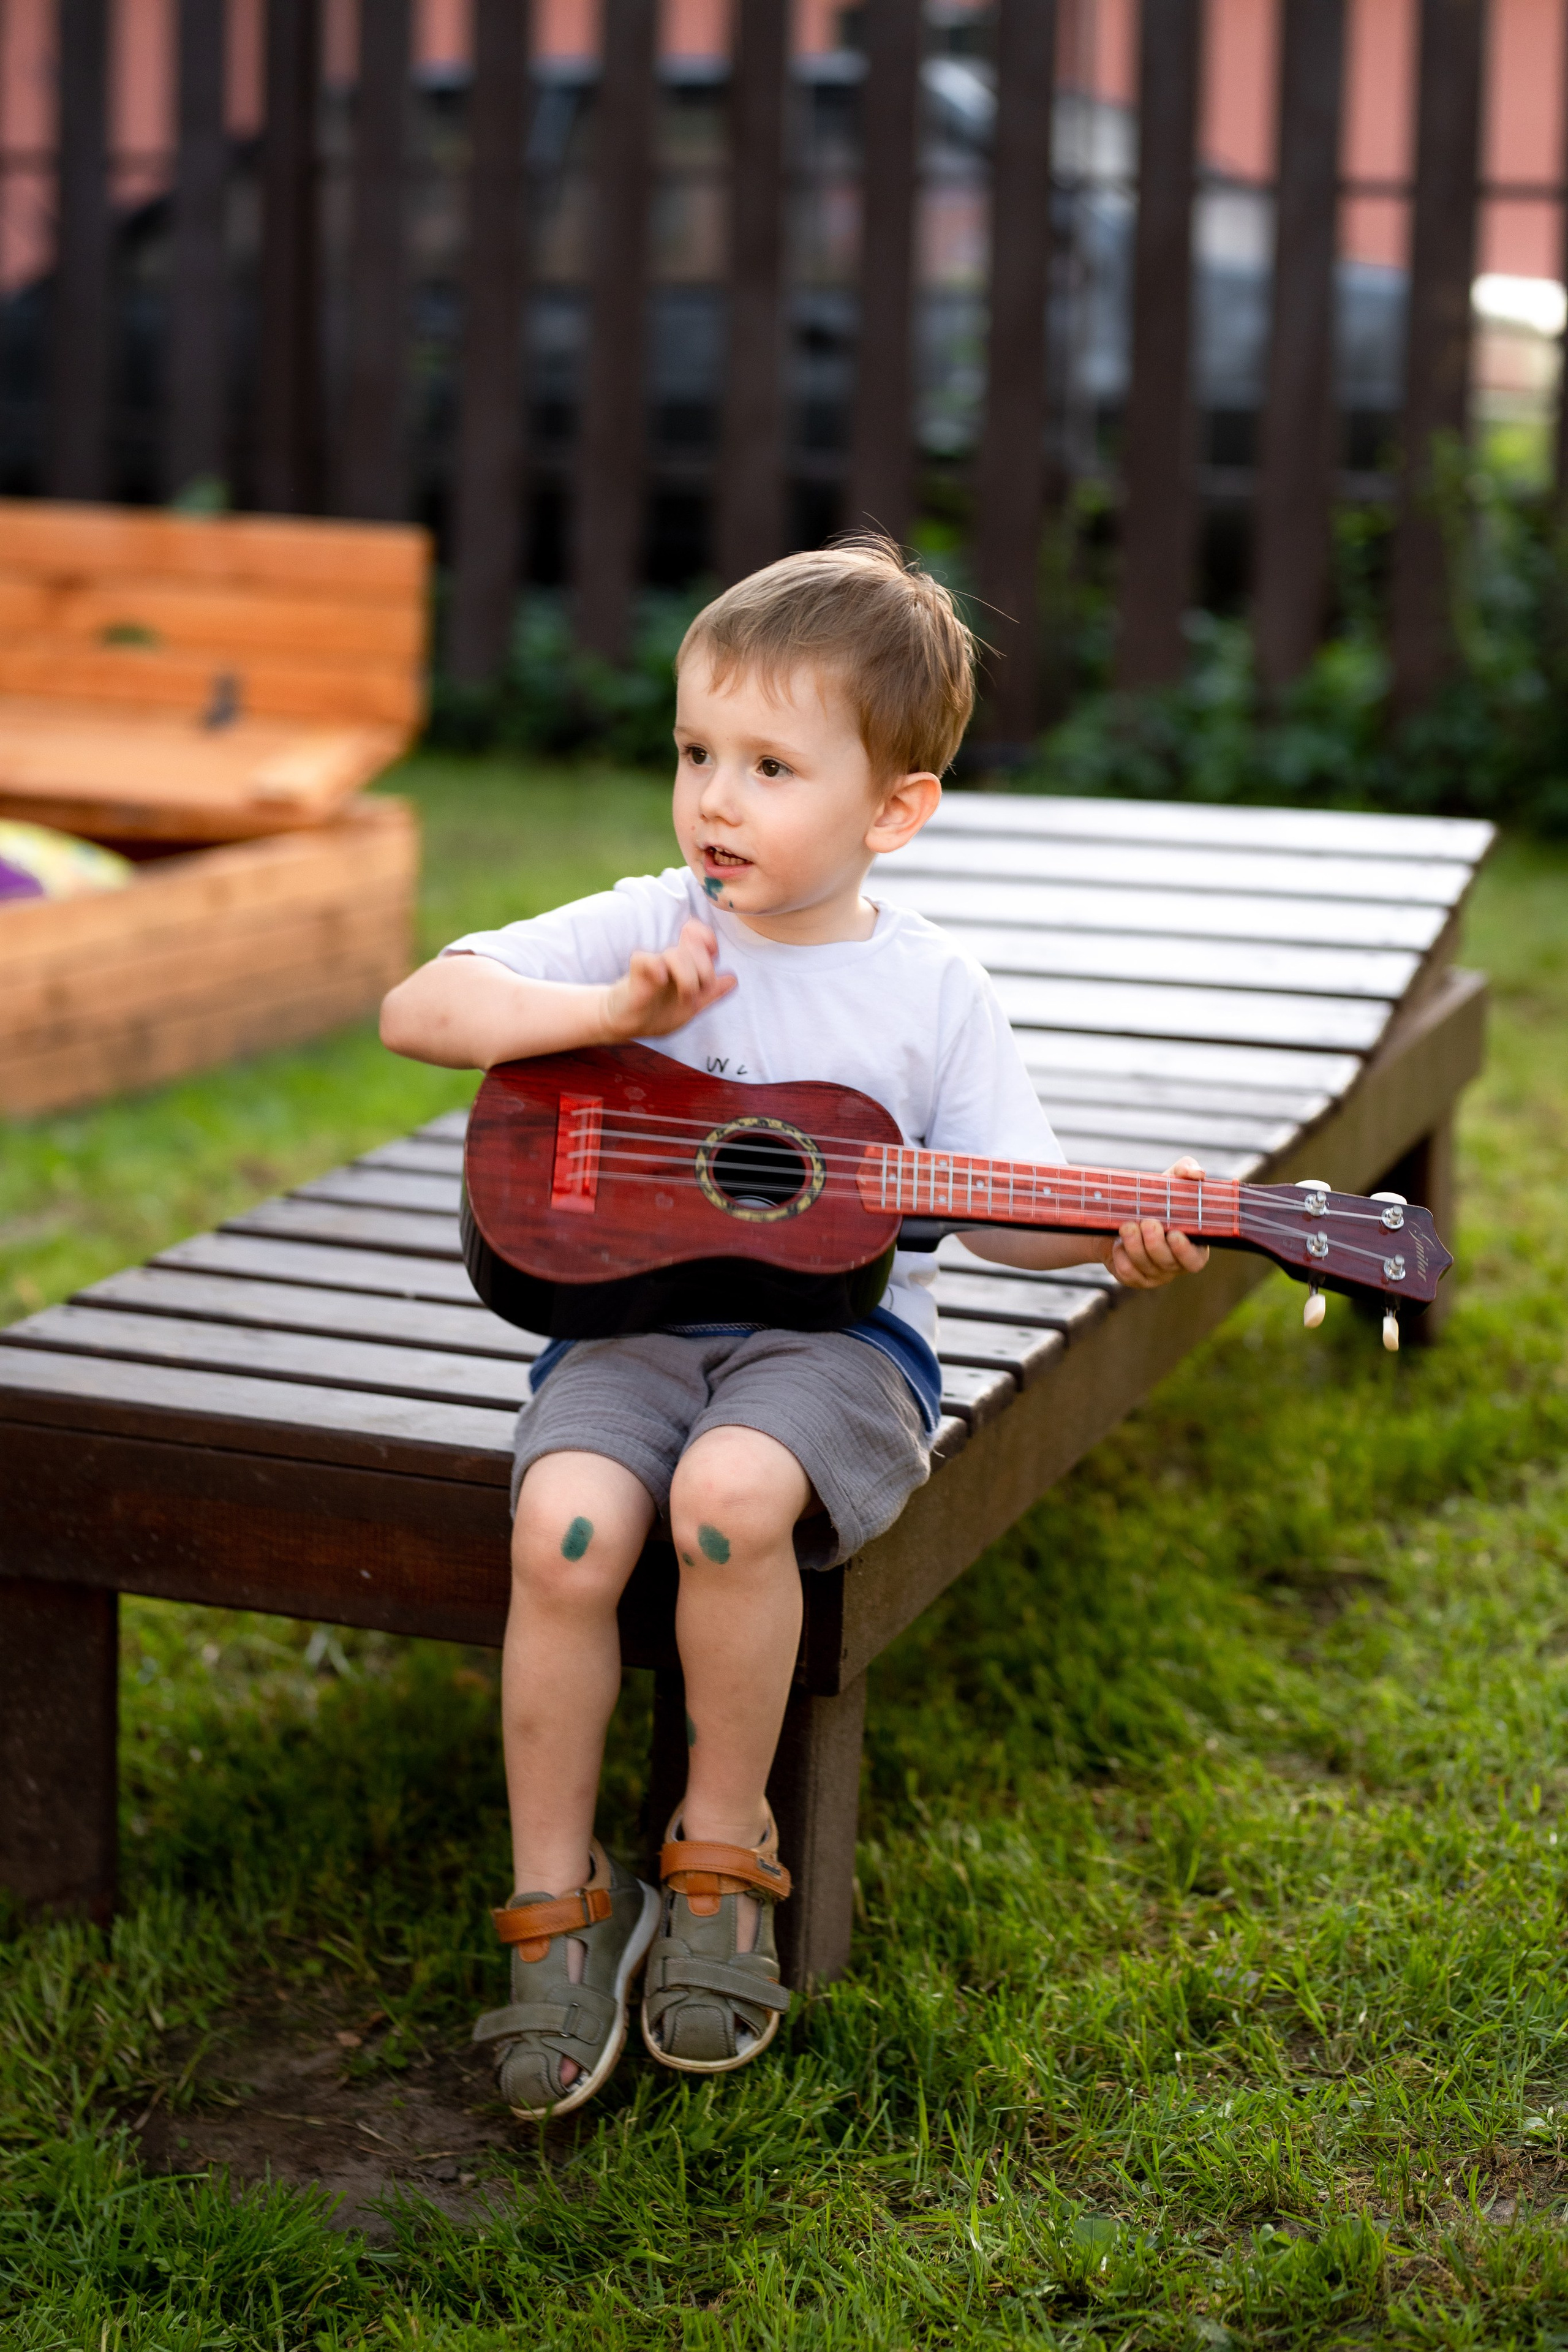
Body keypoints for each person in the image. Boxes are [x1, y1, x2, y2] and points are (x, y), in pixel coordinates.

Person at [379, 537, 1210, 2119]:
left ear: (895, 809)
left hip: (841, 1349)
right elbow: (417, 1011)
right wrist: (610, 1016)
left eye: (771, 766)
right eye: (696, 752)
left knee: (727, 1500)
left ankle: (721, 1848)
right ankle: (558, 1896)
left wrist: (1117, 1234)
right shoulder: (649, 924)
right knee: (563, 1530)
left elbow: (1002, 1207)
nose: (716, 799)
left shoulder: (931, 990)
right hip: (629, 1333)